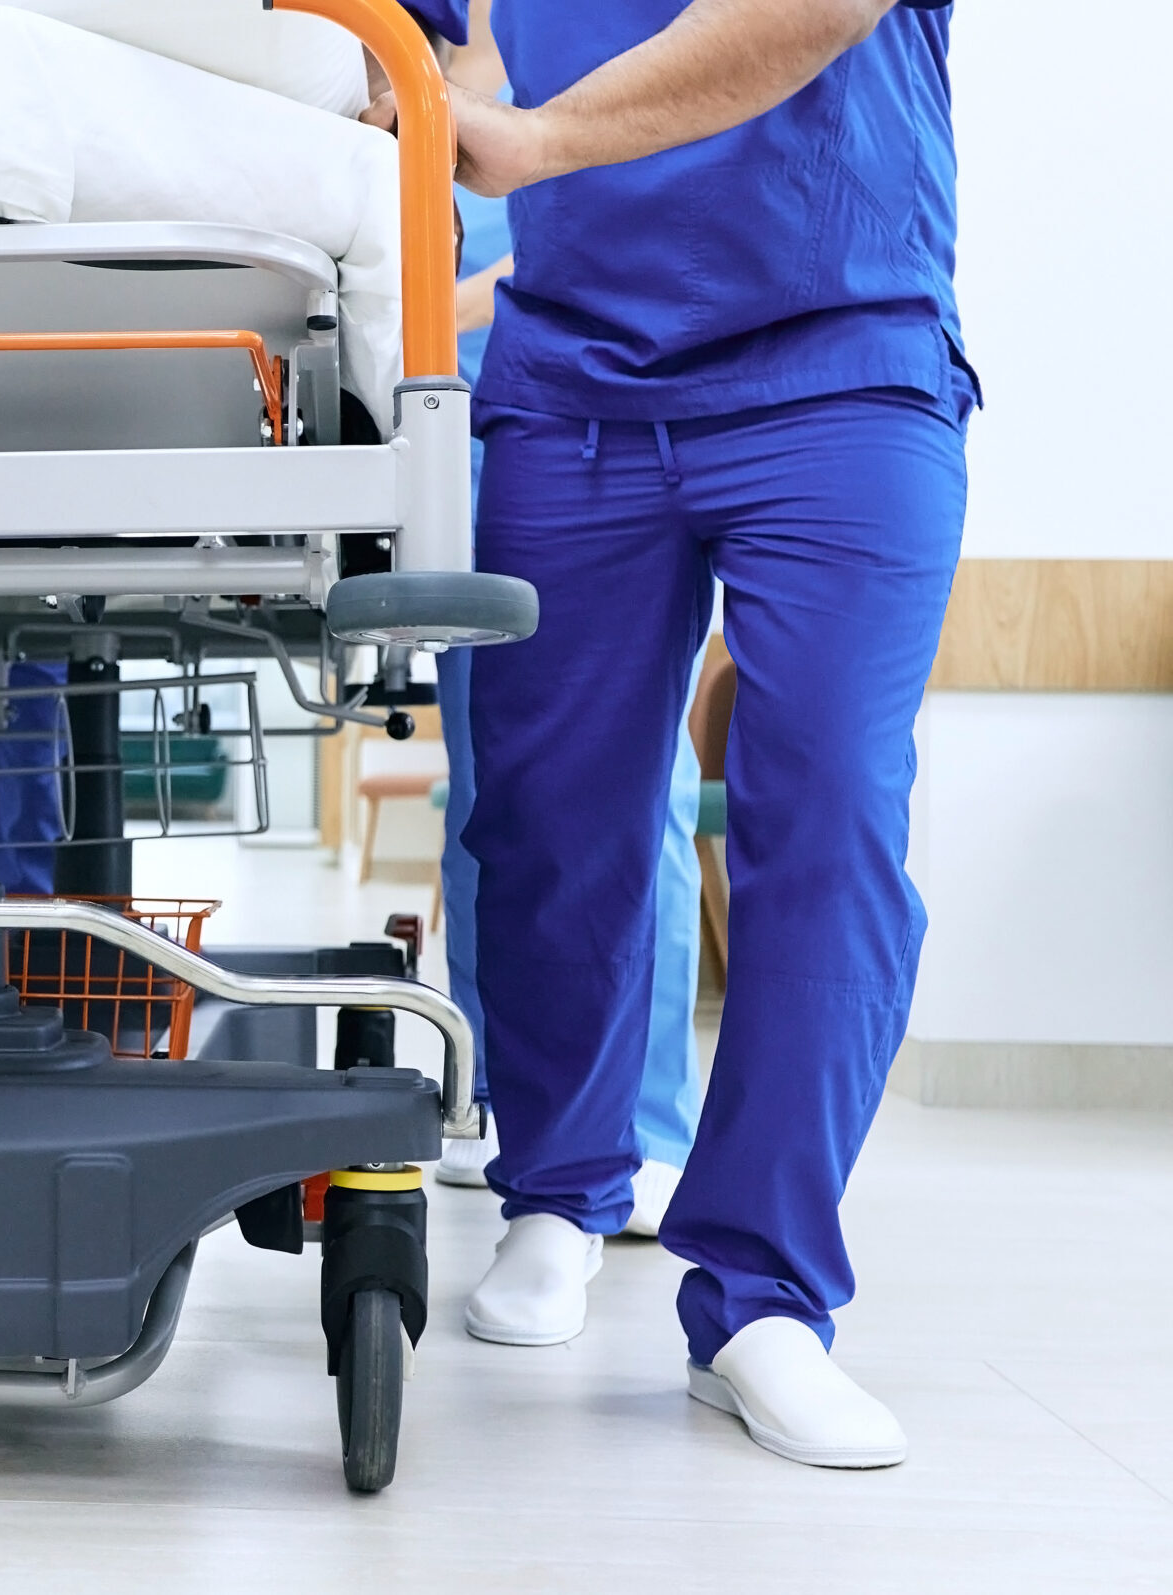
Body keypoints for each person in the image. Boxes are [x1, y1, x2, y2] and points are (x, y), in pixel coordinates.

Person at [373, 0, 973, 1468]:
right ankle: (557, 1192)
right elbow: (405, 46)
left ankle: (766, 1295)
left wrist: (539, 139)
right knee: (545, 816)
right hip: (573, 379)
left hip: (843, 353)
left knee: (828, 809)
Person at [427, 2, 706, 1241]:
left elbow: (635, 207)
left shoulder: (616, 44)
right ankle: (505, 1092)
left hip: (608, 407)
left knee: (637, 787)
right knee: (496, 787)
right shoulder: (411, 62)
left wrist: (463, 302)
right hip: (470, 430)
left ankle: (641, 1125)